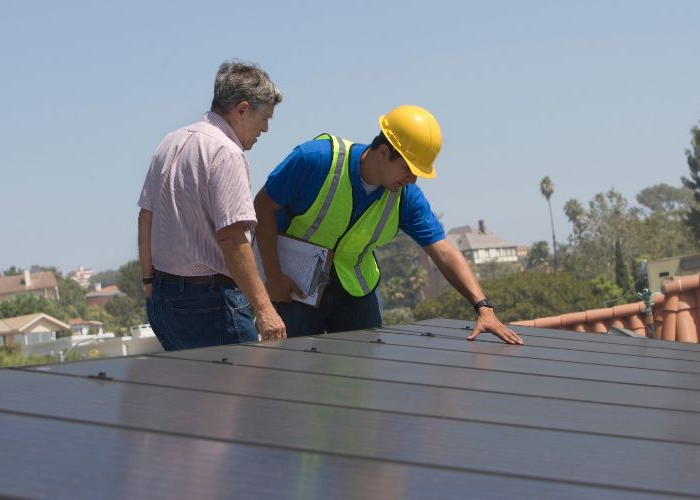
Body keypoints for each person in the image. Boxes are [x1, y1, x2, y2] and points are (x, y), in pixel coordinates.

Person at [253, 105, 523, 344]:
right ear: (384, 151)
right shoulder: (316, 160)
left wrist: (483, 307)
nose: (412, 180)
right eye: (408, 169)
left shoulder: (406, 197)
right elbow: (263, 206)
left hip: (356, 290)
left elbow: (443, 251)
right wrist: (274, 277)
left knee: (358, 375)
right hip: (295, 285)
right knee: (293, 368)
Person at [137, 61, 286, 351]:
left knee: (192, 383)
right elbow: (232, 238)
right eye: (264, 118)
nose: (265, 128)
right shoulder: (227, 153)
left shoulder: (170, 142)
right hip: (210, 305)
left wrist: (148, 282)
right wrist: (265, 310)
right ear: (242, 109)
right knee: (244, 381)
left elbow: (145, 217)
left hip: (163, 300)